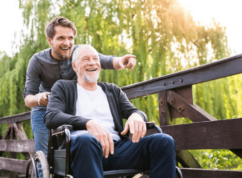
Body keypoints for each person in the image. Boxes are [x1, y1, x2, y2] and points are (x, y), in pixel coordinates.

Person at [22, 17, 136, 174]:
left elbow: (104, 60)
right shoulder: (37, 61)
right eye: (61, 38)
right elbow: (28, 97)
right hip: (44, 109)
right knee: (47, 157)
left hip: (71, 108)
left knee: (78, 145)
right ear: (50, 40)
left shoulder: (80, 53)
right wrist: (38, 98)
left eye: (70, 38)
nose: (67, 43)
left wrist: (121, 61)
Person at [44, 45, 176, 178]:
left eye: (95, 58)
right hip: (83, 150)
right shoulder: (63, 87)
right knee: (86, 139)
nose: (92, 62)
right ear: (74, 66)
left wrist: (137, 115)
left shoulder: (112, 90)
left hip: (117, 149)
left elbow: (133, 111)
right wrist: (88, 123)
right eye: (85, 59)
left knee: (164, 141)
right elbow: (51, 117)